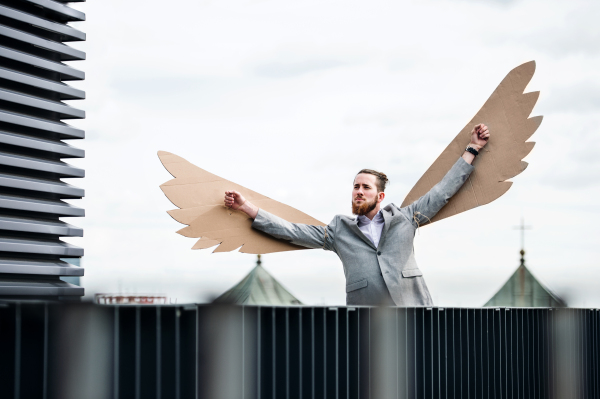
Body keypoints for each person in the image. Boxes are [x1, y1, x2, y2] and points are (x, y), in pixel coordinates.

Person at [224, 124, 490, 306]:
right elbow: (293, 232)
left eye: (365, 187)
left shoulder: (406, 218)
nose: (358, 192)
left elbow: (442, 192)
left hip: (414, 316)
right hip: (368, 324)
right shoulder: (339, 230)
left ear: (380, 196)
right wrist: (247, 207)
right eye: (355, 187)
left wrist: (472, 149)